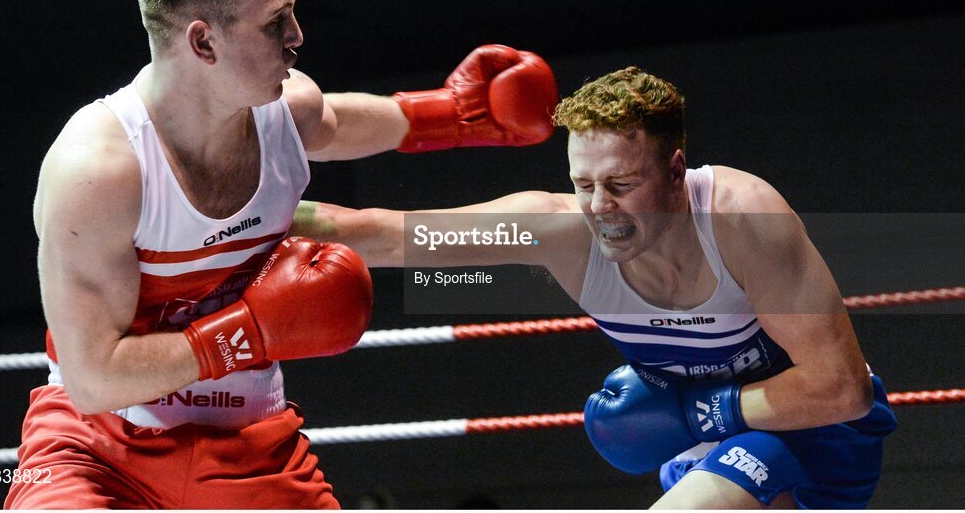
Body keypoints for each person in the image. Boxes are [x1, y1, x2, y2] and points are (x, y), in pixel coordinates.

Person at [5, 0, 558, 509]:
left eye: (291, 10)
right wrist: (245, 331)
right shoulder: (99, 170)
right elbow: (93, 380)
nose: (297, 36)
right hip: (96, 450)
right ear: (202, 41)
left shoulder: (287, 112)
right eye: (275, 22)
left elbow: (345, 125)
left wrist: (458, 114)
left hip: (252, 446)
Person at [291, 67, 898, 509]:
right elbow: (390, 236)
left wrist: (698, 413)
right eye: (584, 184)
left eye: (621, 183)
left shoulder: (743, 220)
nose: (600, 207)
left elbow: (841, 390)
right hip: (715, 446)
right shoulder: (557, 231)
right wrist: (241, 213)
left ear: (676, 170)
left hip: (820, 437)